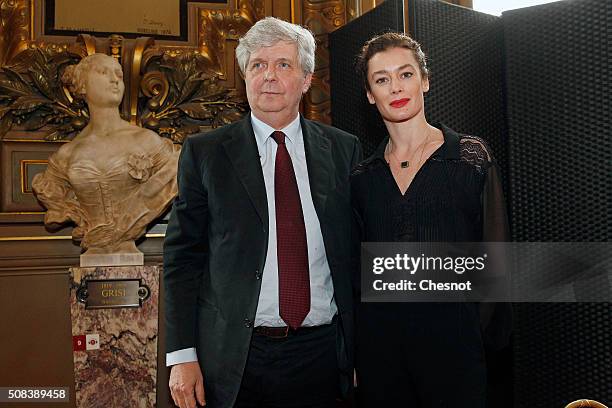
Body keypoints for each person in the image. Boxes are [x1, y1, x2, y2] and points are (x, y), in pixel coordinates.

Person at [163, 17, 362, 408]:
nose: (269, 76)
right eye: (258, 65)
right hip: (236, 359)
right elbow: (182, 259)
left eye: (283, 65)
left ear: (306, 80)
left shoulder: (344, 149)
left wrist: (364, 349)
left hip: (324, 354)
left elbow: (356, 255)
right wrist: (182, 354)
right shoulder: (206, 153)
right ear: (245, 78)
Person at [350, 32, 510, 407]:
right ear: (370, 94)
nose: (396, 87)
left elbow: (496, 265)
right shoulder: (362, 177)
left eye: (405, 74)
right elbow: (357, 277)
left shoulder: (471, 158)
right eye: (382, 79)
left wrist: (478, 345)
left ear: (425, 80)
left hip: (457, 354)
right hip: (381, 360)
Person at [32, 53, 179, 260]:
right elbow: (53, 196)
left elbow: (174, 174)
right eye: (103, 72)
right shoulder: (67, 154)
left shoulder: (147, 141)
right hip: (93, 248)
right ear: (82, 85)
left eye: (118, 74)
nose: (115, 79)